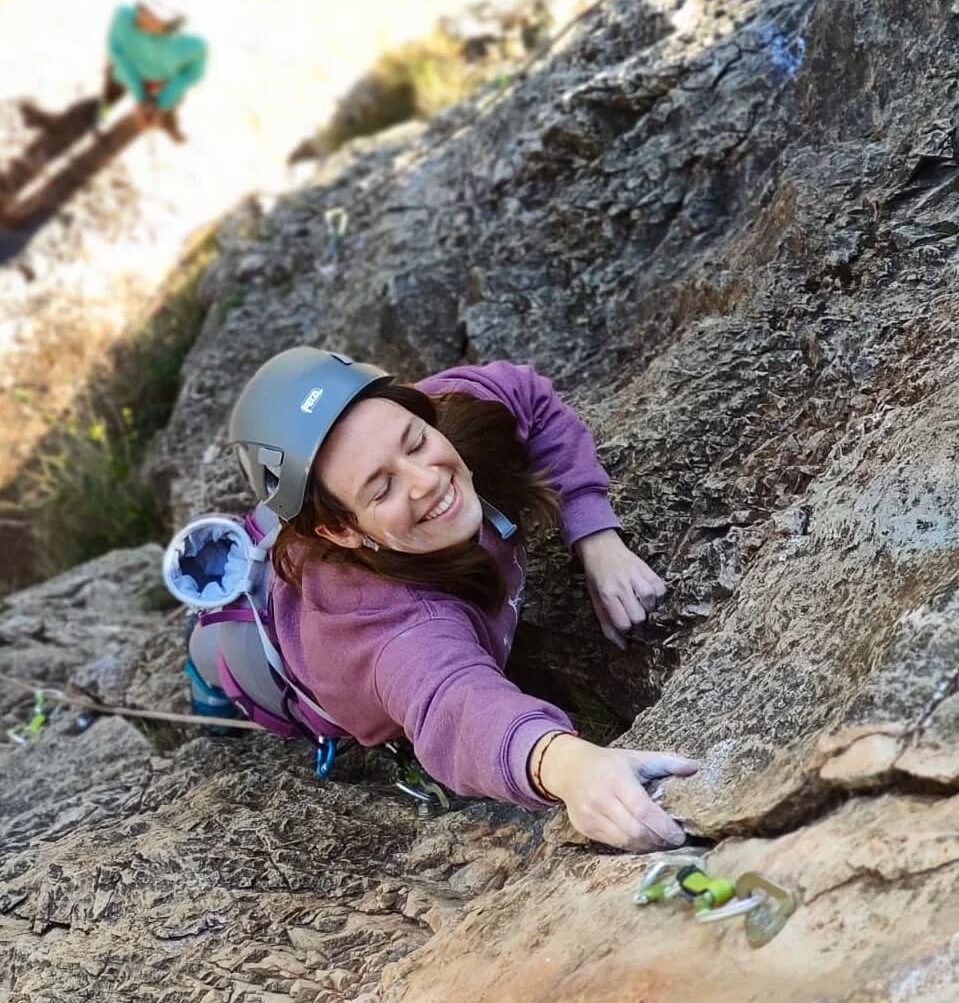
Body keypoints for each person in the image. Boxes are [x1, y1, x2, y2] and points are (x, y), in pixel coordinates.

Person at [229, 348, 698, 852]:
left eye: (416, 442)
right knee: (231, 667)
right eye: (382, 489)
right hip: (283, 669)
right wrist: (568, 766)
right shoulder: (389, 627)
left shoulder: (442, 419)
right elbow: (452, 704)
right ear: (341, 531)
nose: (427, 480)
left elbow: (528, 397)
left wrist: (593, 534)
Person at [102, 2, 207, 143]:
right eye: (143, 6)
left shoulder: (195, 43)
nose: (141, 14)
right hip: (125, 69)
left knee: (171, 106)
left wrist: (161, 103)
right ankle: (105, 107)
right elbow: (115, 50)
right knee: (113, 87)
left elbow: (192, 74)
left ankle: (168, 125)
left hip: (164, 80)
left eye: (153, 14)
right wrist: (140, 97)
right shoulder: (124, 13)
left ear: (172, 23)